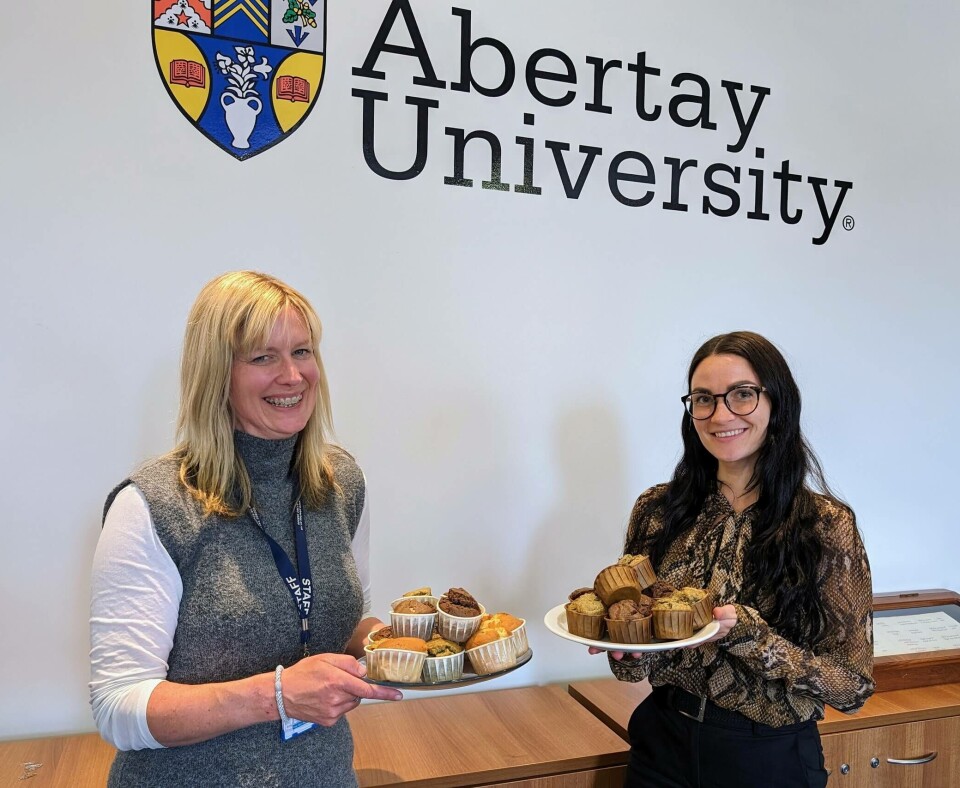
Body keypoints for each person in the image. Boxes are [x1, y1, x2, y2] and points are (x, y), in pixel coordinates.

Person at [89, 271, 402, 787]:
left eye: (303, 352)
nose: (293, 376)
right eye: (263, 357)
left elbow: (340, 624)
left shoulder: (341, 481)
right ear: (216, 374)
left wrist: (397, 642)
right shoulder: (152, 505)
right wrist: (275, 696)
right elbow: (118, 706)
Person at [599, 331, 874, 788]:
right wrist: (625, 645)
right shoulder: (656, 510)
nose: (720, 414)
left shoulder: (826, 526)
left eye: (742, 395)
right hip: (662, 742)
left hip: (768, 756)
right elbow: (635, 664)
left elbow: (852, 686)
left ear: (777, 403)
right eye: (704, 399)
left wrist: (752, 637)